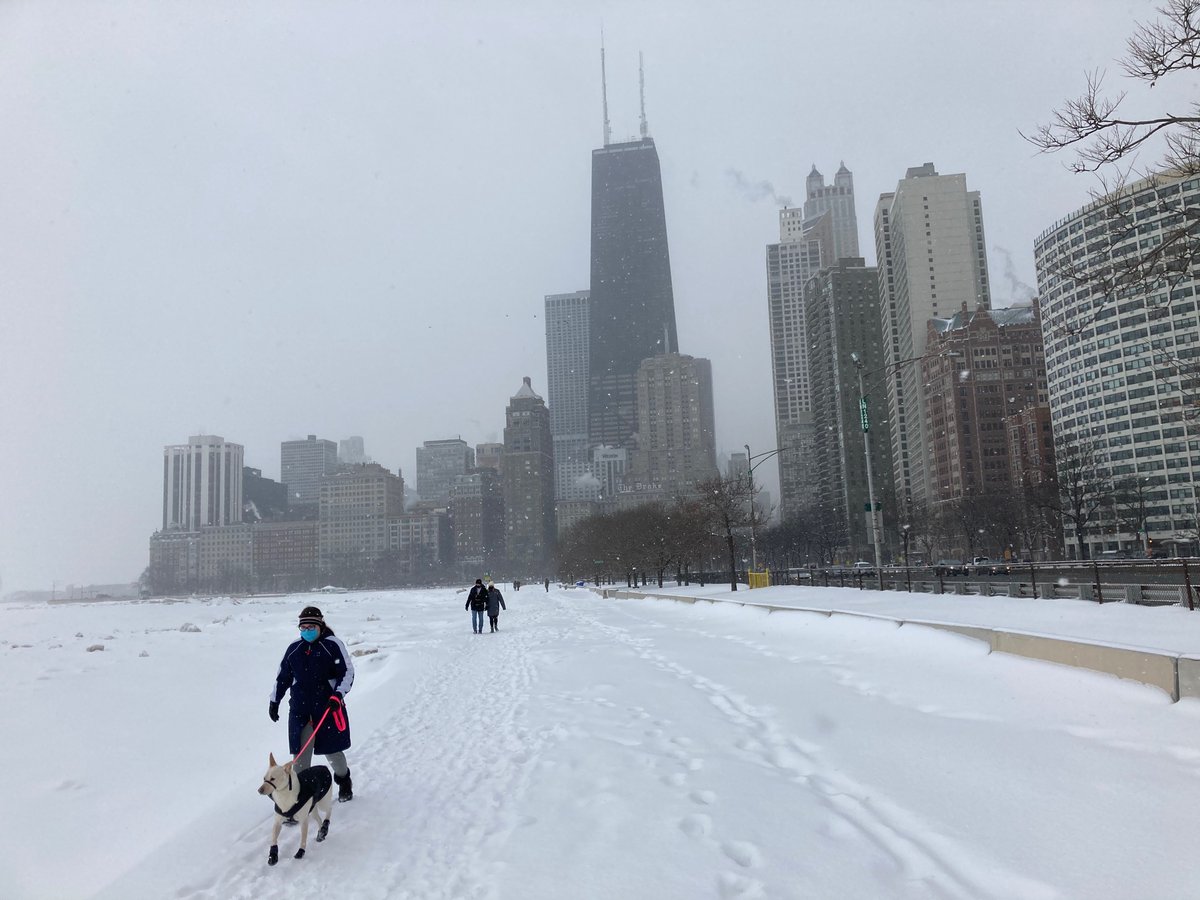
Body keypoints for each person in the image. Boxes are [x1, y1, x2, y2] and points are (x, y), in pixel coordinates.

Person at [269, 606, 355, 804]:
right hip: (300, 710)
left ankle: (344, 781)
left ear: (320, 625)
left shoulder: (332, 645)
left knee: (332, 751)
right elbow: (283, 677)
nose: (306, 630)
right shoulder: (294, 649)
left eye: (311, 626)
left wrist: (337, 696)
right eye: (303, 627)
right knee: (300, 757)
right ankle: (299, 800)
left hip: (327, 709)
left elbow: (347, 673)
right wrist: (275, 701)